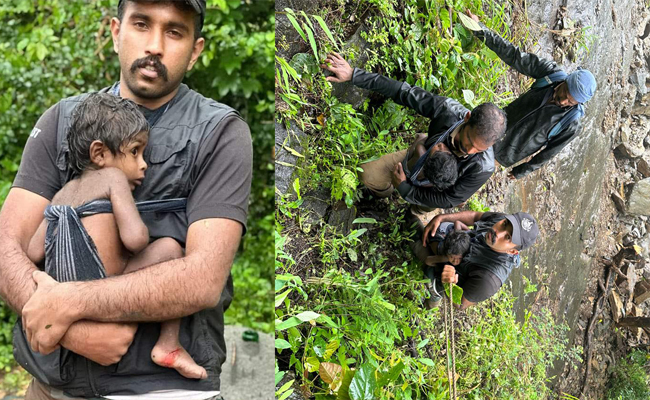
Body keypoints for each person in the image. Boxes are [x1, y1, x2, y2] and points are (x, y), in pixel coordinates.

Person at [0, 0, 252, 398]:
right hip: (54, 384)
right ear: (116, 32)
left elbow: (203, 279)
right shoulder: (62, 120)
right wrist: (72, 331)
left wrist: (69, 303)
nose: (154, 45)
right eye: (141, 24)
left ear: (196, 49)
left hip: (159, 390)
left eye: (174, 31)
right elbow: (5, 247)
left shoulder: (220, 133)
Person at [26, 93, 207, 380]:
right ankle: (168, 345)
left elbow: (35, 251)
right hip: (105, 286)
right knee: (171, 249)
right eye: (135, 152)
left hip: (63, 291)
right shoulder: (113, 179)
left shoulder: (61, 194)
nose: (144, 163)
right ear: (100, 154)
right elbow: (135, 240)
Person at [322, 53, 507, 211]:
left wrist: (406, 190)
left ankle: (417, 211)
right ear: (466, 118)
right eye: (468, 141)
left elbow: (449, 199)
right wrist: (354, 75)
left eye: (478, 150)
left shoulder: (483, 167)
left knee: (423, 207)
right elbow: (404, 92)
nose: (469, 151)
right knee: (366, 174)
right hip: (417, 157)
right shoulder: (447, 111)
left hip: (437, 189)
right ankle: (383, 192)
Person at [466, 10, 597, 179]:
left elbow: (549, 153)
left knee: (474, 173)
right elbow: (514, 56)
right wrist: (480, 30)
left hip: (507, 152)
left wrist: (523, 170)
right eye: (566, 93)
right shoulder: (551, 74)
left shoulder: (571, 124)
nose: (564, 101)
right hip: (496, 124)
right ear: (566, 81)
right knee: (465, 147)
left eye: (571, 102)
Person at [414, 210, 539, 310]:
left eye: (507, 237)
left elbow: (461, 304)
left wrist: (448, 284)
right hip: (459, 245)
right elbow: (475, 216)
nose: (497, 232)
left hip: (452, 274)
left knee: (414, 233)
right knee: (442, 227)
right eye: (505, 224)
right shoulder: (501, 220)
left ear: (513, 251)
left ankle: (435, 296)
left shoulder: (489, 279)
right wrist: (441, 218)